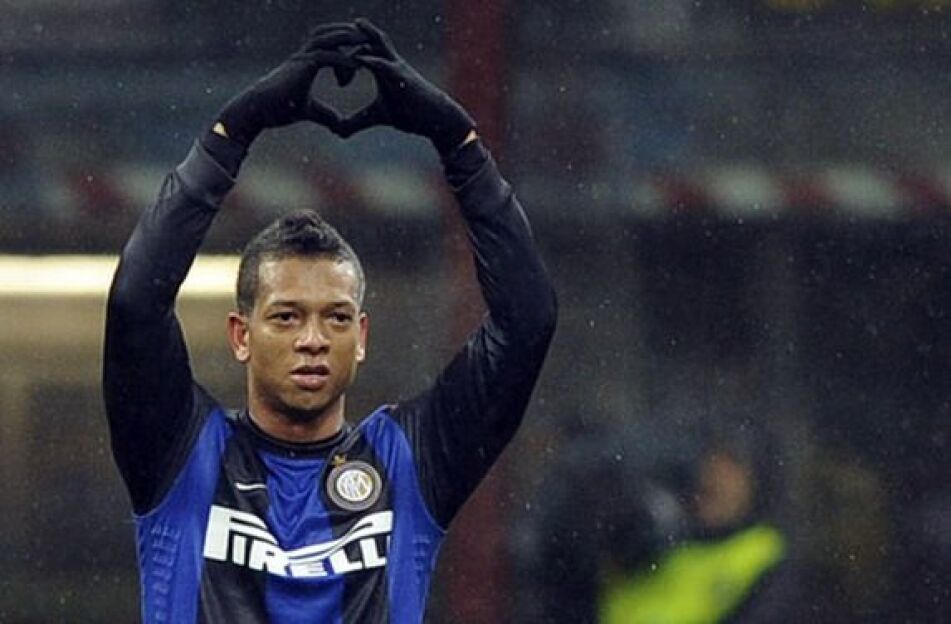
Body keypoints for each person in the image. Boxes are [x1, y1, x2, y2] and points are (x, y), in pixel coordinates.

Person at [103, 19, 556, 623]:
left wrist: (459, 144)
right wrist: (233, 132)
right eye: (287, 317)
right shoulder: (181, 451)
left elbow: (527, 320)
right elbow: (135, 303)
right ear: (241, 335)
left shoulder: (411, 460)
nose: (313, 339)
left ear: (361, 336)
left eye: (336, 318)